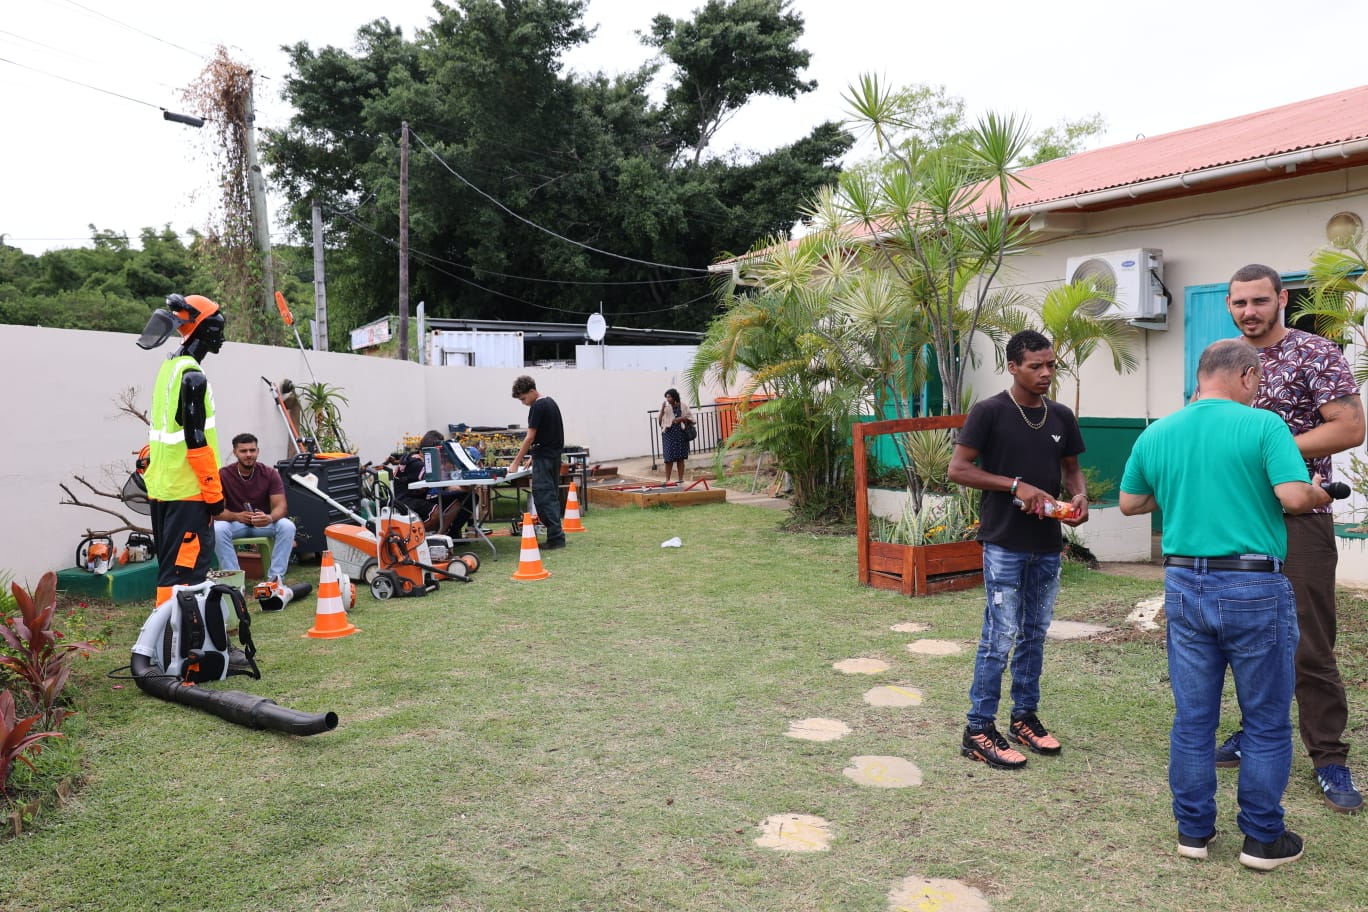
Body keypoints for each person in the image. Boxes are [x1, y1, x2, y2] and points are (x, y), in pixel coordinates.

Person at [1120, 338, 1332, 869]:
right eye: (1257, 382)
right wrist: (1318, 492)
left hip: (1183, 584)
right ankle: (1262, 838)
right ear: (1246, 376)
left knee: (1193, 719)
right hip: (1252, 585)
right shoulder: (1264, 426)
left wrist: (1184, 487)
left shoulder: (1159, 432)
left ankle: (1193, 832)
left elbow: (1131, 502)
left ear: (1201, 376)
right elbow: (1292, 497)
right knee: (1265, 719)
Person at [1217, 263, 1366, 814]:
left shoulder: (1313, 352)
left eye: (1259, 301)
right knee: (1246, 636)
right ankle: (1254, 731)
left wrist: (1269, 448)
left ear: (1281, 299)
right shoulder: (1224, 360)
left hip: (1300, 516)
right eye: (1240, 303)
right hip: (1236, 518)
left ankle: (1328, 756)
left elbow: (1350, 427)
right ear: (1229, 306)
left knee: (1309, 642)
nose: (1249, 312)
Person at [947, 329, 1089, 770]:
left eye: (1050, 365)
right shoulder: (990, 411)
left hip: (1046, 543)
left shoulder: (1061, 416)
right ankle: (978, 729)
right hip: (1004, 542)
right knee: (1000, 635)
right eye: (1035, 366)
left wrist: (1079, 496)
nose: (1045, 373)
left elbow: (1071, 469)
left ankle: (1024, 718)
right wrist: (1014, 485)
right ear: (1013, 367)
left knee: (1034, 632)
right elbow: (959, 469)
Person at [136, 294, 227, 608]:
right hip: (189, 492)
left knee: (171, 570)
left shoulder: (169, 369)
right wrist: (213, 493)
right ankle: (183, 638)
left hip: (163, 489)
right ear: (201, 329)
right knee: (187, 574)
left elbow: (165, 432)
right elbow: (195, 438)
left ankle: (170, 634)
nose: (222, 337)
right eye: (218, 329)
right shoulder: (193, 376)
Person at [212, 433, 297, 591]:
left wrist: (269, 518)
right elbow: (217, 512)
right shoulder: (223, 475)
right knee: (217, 529)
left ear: (258, 451)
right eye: (243, 451)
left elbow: (281, 506)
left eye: (252, 450)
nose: (248, 455)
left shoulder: (269, 473)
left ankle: (275, 580)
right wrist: (236, 516)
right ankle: (235, 584)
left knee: (287, 526)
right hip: (236, 524)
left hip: (263, 523)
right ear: (235, 452)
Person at [509, 375, 566, 549]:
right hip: (553, 456)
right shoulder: (551, 403)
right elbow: (549, 434)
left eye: (523, 398)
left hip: (545, 459)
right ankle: (556, 535)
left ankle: (555, 538)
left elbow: (530, 437)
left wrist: (515, 462)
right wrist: (533, 455)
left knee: (543, 497)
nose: (523, 403)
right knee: (550, 495)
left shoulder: (538, 406)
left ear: (532, 391)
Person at [392, 430, 474, 537]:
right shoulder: (414, 462)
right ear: (432, 450)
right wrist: (453, 485)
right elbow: (436, 478)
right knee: (435, 512)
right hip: (404, 500)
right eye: (441, 450)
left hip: (420, 497)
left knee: (465, 497)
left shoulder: (422, 460)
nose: (442, 453)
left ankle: (448, 534)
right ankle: (413, 537)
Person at [659, 388, 694, 485]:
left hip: (681, 434)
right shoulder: (666, 408)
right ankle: (668, 479)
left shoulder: (683, 406)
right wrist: (662, 410)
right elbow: (660, 422)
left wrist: (681, 419)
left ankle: (680, 479)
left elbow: (691, 419)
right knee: (668, 458)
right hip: (668, 435)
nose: (667, 399)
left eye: (669, 397)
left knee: (680, 457)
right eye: (666, 397)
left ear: (674, 397)